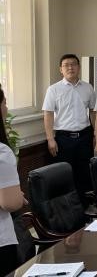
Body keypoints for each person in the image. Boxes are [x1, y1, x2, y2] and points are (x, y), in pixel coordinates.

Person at [42, 54, 96, 202]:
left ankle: (85, 206)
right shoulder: (53, 89)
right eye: (66, 65)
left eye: (73, 64)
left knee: (84, 173)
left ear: (79, 67)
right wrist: (50, 139)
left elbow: (93, 112)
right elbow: (48, 114)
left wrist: (96, 135)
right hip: (63, 139)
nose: (70, 67)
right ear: (61, 69)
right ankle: (67, 207)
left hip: (84, 136)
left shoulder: (88, 87)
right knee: (64, 174)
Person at [0, 85, 25, 277]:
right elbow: (10, 203)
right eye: (5, 103)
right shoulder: (2, 152)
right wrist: (16, 195)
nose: (7, 108)